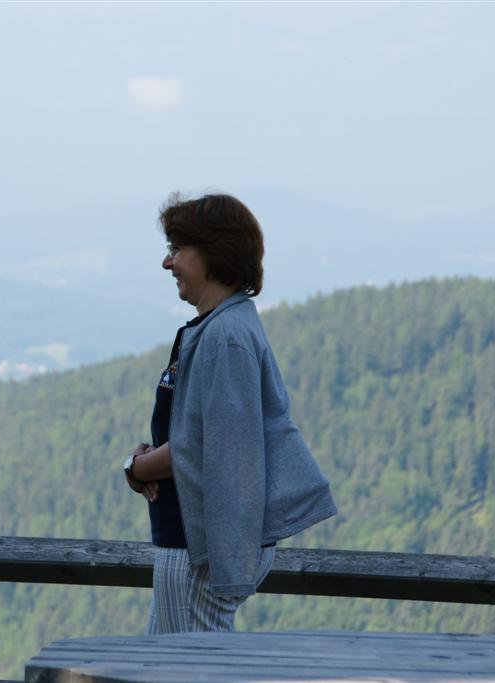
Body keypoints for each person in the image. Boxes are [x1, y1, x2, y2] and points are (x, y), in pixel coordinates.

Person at [121, 193, 337, 635]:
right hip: (188, 542)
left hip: (196, 550)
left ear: (212, 255)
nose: (168, 264)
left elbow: (210, 448)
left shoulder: (225, 337)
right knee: (165, 666)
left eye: (176, 250)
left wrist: (137, 466)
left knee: (185, 671)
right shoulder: (217, 328)